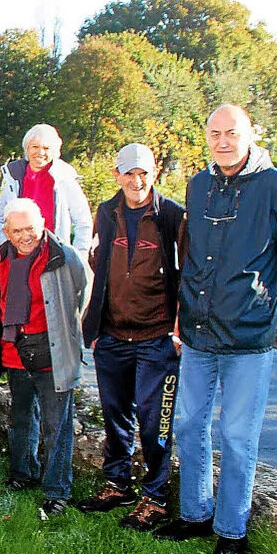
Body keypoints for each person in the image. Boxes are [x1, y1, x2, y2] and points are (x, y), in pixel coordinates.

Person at [153, 105, 277, 554]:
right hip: (198, 331)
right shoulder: (199, 184)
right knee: (189, 425)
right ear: (206, 136)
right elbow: (191, 255)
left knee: (238, 436)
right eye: (215, 133)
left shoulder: (274, 186)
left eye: (232, 133)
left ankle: (232, 531)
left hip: (249, 334)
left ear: (250, 134)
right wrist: (180, 313)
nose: (223, 141)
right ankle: (195, 513)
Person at [76, 143, 185, 532]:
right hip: (112, 335)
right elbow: (97, 264)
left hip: (157, 337)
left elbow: (187, 273)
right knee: (115, 415)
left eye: (144, 173)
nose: (136, 181)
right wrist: (94, 324)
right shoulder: (106, 212)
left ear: (154, 173)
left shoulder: (172, 215)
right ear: (117, 175)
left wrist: (178, 329)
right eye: (129, 173)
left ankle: (155, 498)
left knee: (155, 423)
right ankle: (117, 484)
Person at [0, 197, 87, 516]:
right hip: (15, 352)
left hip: (52, 353)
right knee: (21, 419)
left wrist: (65, 332)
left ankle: (57, 491)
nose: (24, 236)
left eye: (30, 228)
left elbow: (82, 292)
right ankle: (23, 473)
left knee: (56, 426)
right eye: (16, 231)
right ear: (6, 232)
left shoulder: (63, 256)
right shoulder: (0, 259)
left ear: (43, 224)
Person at [0, 124, 92, 255]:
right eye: (35, 147)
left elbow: (83, 223)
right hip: (20, 255)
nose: (40, 152)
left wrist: (78, 258)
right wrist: (7, 249)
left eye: (46, 148)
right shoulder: (14, 179)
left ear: (55, 151)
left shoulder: (65, 180)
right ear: (27, 149)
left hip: (54, 255)